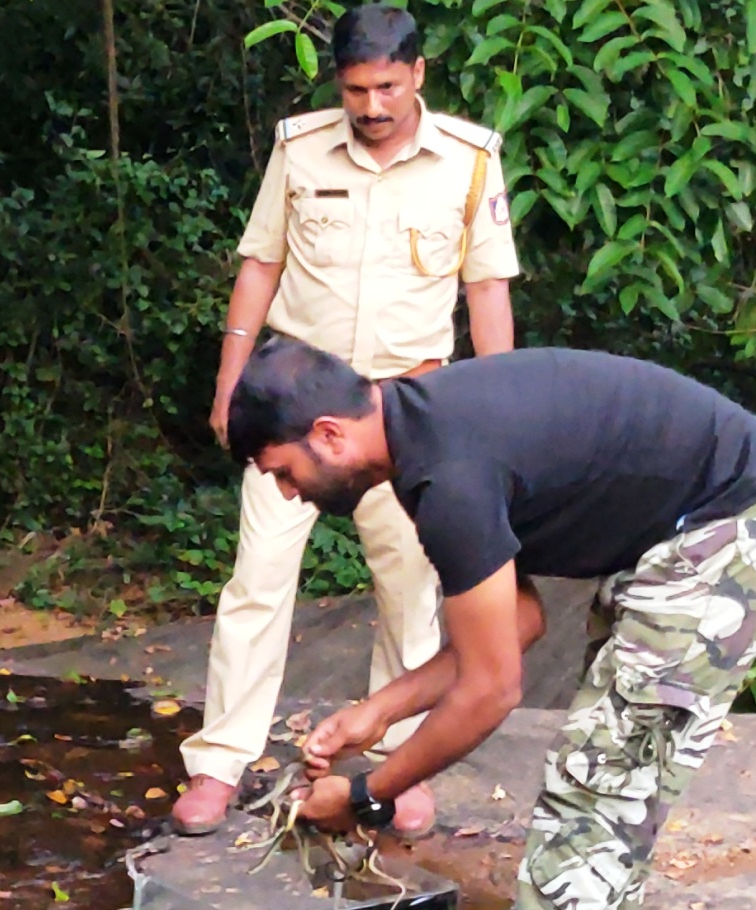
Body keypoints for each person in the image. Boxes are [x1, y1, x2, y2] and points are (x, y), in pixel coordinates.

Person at [224, 337, 756, 910]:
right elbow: (522, 618)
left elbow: (493, 686)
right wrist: (377, 711)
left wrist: (369, 792)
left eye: (284, 472)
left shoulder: (449, 478)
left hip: (734, 525)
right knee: (616, 777)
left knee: (595, 788)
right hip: (687, 530)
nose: (291, 493)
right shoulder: (417, 438)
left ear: (330, 434)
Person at [174, 3, 519, 838]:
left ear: (419, 75)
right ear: (340, 82)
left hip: (410, 414)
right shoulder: (300, 148)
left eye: (388, 87)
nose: (372, 106)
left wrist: (497, 410)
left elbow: (487, 293)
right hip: (292, 413)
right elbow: (261, 265)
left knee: (409, 589)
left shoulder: (470, 161)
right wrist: (230, 381)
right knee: (258, 580)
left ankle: (399, 764)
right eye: (358, 88)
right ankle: (220, 763)